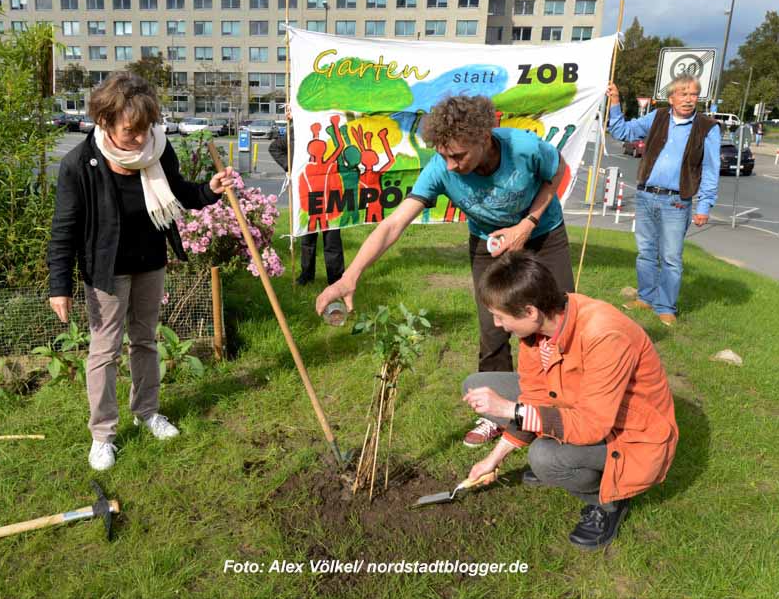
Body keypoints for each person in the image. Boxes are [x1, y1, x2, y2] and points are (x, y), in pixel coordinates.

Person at [315, 95, 575, 448]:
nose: (450, 166)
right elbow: (393, 225)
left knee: (558, 322)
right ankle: (497, 416)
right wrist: (350, 277)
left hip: (543, 235)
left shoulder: (524, 147)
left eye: (458, 156)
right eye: (443, 155)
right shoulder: (441, 170)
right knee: (493, 329)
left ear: (484, 138)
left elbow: (556, 169)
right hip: (489, 245)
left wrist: (527, 223)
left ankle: (562, 410)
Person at [47, 72, 234, 471]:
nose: (139, 138)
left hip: (150, 262)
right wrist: (58, 285)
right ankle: (103, 434)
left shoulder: (159, 151)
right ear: (105, 122)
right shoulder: (79, 164)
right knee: (104, 351)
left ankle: (147, 412)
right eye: (130, 130)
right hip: (106, 271)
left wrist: (210, 190)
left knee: (146, 340)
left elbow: (181, 193)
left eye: (145, 128)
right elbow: (63, 229)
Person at [462, 251, 678, 551]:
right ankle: (565, 469)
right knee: (477, 385)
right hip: (577, 401)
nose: (498, 325)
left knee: (544, 457)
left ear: (529, 311)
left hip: (631, 435)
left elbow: (592, 426)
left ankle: (608, 502)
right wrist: (491, 460)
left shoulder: (604, 334)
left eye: (500, 316)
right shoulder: (538, 332)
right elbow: (534, 397)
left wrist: (509, 409)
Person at [607, 77, 720, 326]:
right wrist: (615, 101)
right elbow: (622, 131)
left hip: (677, 201)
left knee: (670, 257)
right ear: (671, 98)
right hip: (646, 195)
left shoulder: (708, 127)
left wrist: (704, 205)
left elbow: (712, 169)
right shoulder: (657, 117)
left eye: (693, 94)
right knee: (646, 252)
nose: (689, 99)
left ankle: (666, 306)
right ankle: (646, 298)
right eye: (683, 94)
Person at [268, 112, 345, 286]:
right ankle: (306, 275)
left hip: (330, 198)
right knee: (307, 238)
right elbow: (274, 148)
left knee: (332, 240)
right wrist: (290, 167)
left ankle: (336, 279)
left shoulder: (327, 145)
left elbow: (339, 147)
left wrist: (334, 124)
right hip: (308, 198)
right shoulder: (295, 135)